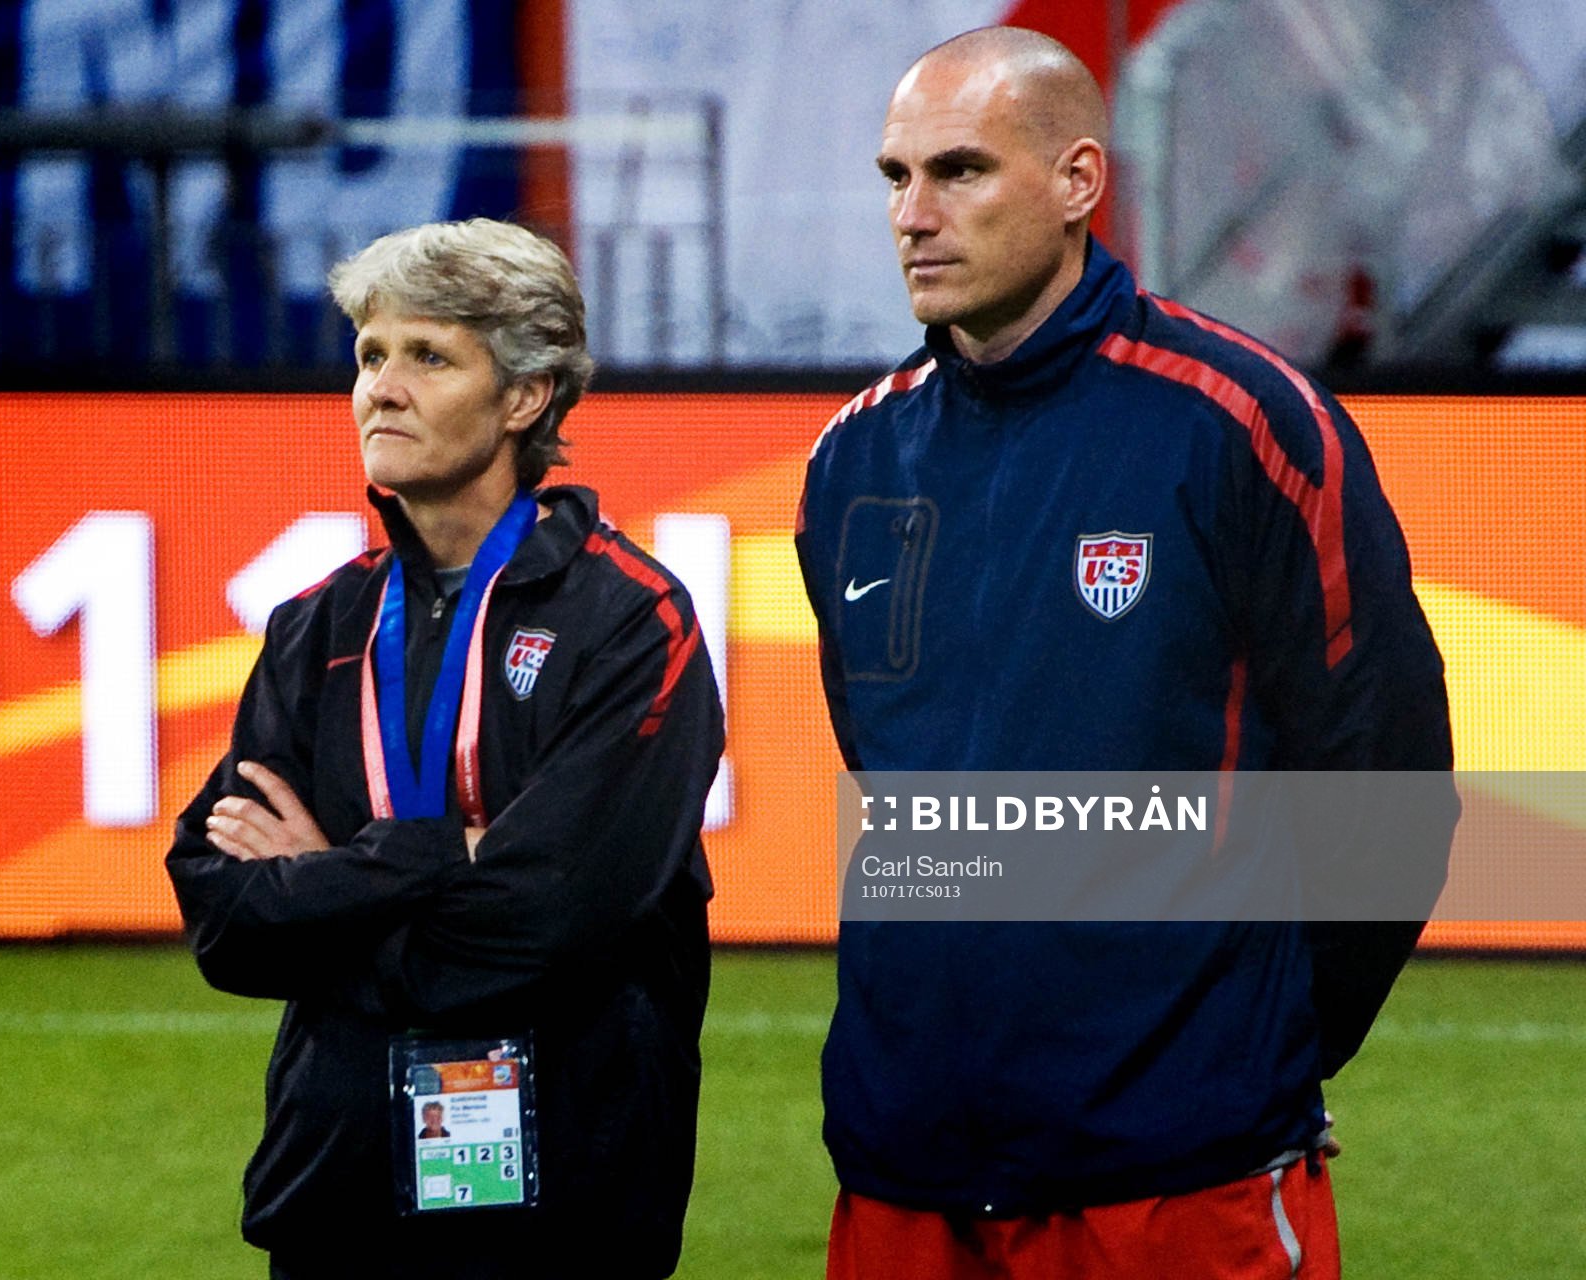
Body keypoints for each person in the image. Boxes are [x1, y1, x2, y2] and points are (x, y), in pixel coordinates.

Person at [793, 27, 1458, 1280]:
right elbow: (887, 779)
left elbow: (1390, 786)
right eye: (895, 178)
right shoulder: (851, 462)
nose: (914, 216)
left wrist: (1252, 1049)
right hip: (906, 1166)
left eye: (960, 171)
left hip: (1179, 1175)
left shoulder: (1247, 424)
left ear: (1079, 184)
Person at [167, 218, 722, 1280]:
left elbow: (553, 914)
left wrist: (325, 881)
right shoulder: (317, 625)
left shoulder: (631, 619)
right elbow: (225, 916)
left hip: (565, 1211)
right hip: (335, 1196)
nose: (382, 386)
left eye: (429, 355)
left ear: (525, 396)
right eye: (371, 354)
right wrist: (434, 857)